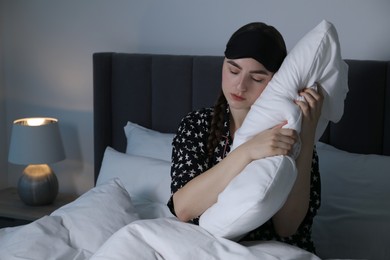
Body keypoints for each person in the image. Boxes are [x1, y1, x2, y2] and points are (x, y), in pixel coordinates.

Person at [167, 22, 323, 254]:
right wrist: (246, 152)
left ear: (276, 82)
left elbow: (287, 227)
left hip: (273, 251)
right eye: (233, 70)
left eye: (257, 78)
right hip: (207, 250)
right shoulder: (197, 125)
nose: (240, 85)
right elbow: (184, 209)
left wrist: (308, 137)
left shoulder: (292, 134)